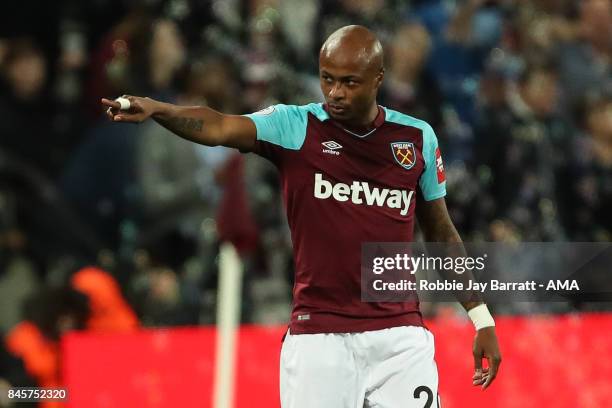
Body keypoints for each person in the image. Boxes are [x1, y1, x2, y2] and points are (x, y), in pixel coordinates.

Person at [102, 25, 501, 408]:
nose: (335, 93)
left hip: (399, 337)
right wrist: (158, 110)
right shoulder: (295, 127)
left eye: (349, 82)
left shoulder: (416, 139)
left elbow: (441, 232)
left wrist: (480, 316)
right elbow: (220, 126)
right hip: (319, 338)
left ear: (378, 79)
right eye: (328, 79)